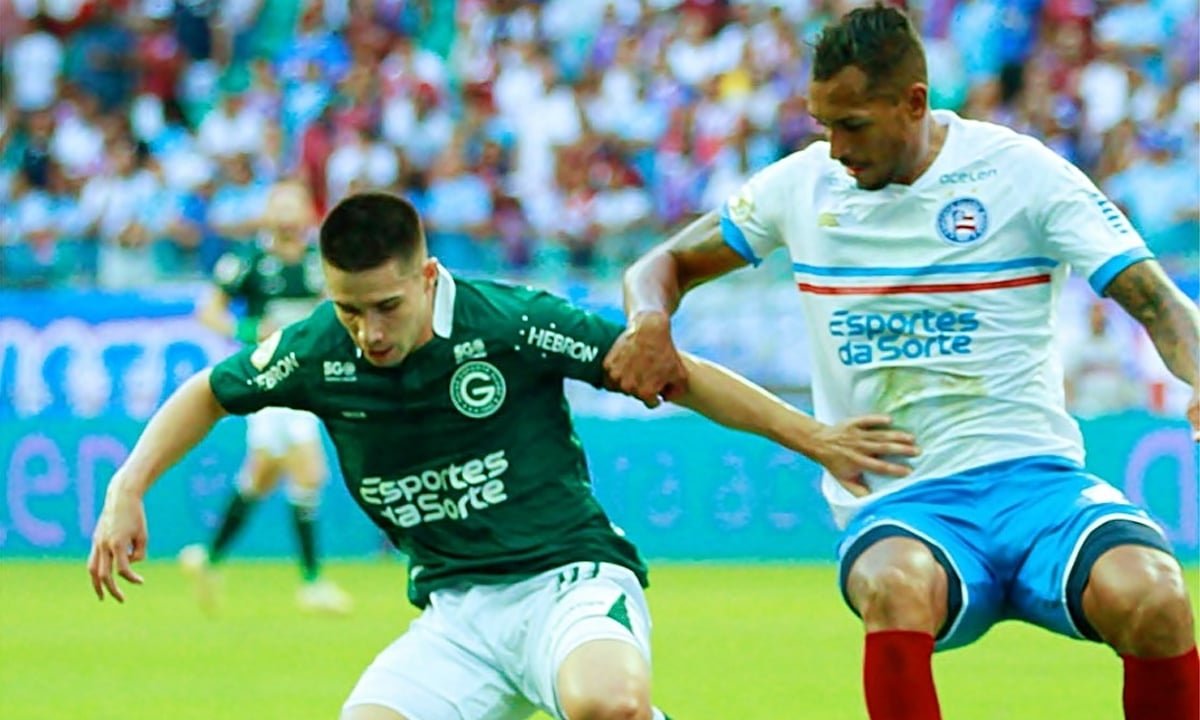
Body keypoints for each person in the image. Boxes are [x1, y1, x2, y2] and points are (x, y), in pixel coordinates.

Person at [88, 191, 919, 720]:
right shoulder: (313, 347)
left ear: (427, 276)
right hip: (455, 615)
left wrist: (813, 435)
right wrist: (129, 488)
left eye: (384, 307)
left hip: (568, 582)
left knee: (609, 707)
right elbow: (207, 390)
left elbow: (674, 375)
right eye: (348, 312)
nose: (368, 334)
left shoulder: (510, 323)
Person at [605, 6, 1199, 720]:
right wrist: (649, 319)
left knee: (1155, 592)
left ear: (914, 103)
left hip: (1038, 482)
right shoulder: (799, 187)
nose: (834, 149)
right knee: (896, 583)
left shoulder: (1022, 174)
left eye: (851, 124)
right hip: (904, 501)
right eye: (822, 124)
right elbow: (660, 263)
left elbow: (1159, 302)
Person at [182, 180, 353, 615]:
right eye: (279, 206)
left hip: (310, 379)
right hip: (272, 379)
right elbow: (209, 311)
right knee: (310, 473)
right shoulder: (248, 262)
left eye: (294, 206)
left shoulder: (321, 263)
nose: (287, 215)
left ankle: (209, 557)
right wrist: (248, 332)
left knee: (260, 476)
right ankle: (312, 582)